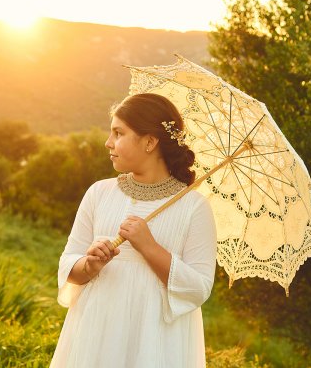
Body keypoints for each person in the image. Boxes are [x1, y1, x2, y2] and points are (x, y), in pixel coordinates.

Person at [50, 93, 217, 367]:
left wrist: (149, 247)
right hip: (96, 331)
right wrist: (89, 265)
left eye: (119, 133)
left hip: (155, 339)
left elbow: (199, 288)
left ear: (150, 142)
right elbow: (68, 263)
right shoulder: (99, 193)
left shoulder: (194, 208)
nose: (108, 142)